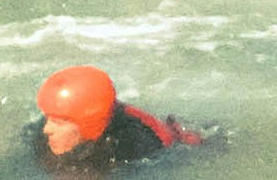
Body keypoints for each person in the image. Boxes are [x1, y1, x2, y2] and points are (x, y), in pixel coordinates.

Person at [28, 66, 202, 172]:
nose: (47, 129)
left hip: (177, 142)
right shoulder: (41, 134)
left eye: (59, 122)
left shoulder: (130, 147)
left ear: (88, 127)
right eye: (48, 117)